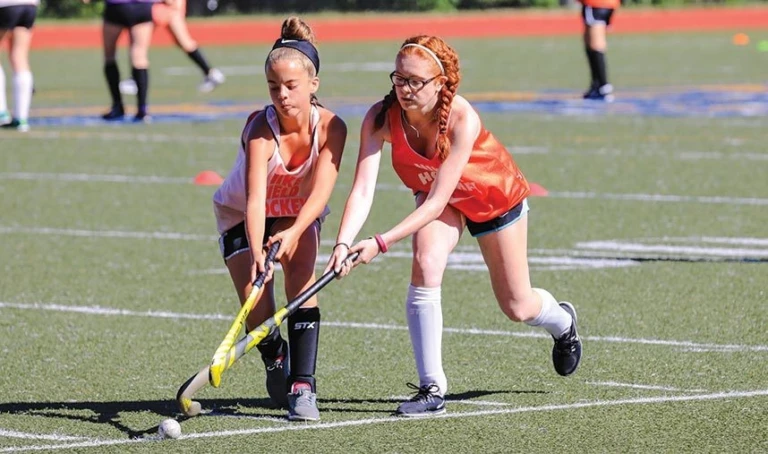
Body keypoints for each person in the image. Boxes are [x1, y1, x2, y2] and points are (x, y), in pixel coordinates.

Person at [326, 35, 582, 418]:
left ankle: (563, 323)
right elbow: (362, 190)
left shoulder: (462, 119)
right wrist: (342, 243)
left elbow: (435, 203)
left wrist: (380, 242)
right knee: (425, 262)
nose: (405, 89)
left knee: (518, 305)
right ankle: (432, 388)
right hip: (439, 198)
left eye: (416, 82)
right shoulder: (379, 118)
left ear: (440, 83)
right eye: (399, 78)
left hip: (492, 198)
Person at [212, 16, 346, 422]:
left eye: (291, 86)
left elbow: (320, 193)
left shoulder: (332, 128)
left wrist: (294, 231)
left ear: (313, 84)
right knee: (257, 307)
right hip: (241, 215)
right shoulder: (260, 129)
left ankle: (303, 386)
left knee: (302, 278)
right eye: (274, 87)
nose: (282, 95)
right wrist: (257, 252)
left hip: (298, 212)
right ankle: (274, 353)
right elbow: (255, 200)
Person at [119, 0, 225, 96]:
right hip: (167, 7)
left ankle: (135, 79)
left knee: (139, 41)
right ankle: (211, 73)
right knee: (183, 42)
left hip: (163, 6)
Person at [92, 0, 164, 122]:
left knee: (109, 56)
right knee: (139, 57)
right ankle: (142, 109)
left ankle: (117, 106)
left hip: (117, 6)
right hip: (142, 7)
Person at [0, 0, 37, 132]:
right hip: (29, 6)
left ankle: (1, 113)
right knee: (19, 56)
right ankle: (21, 119)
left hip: (5, 4)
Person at [579, 0, 619, 101]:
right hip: (608, 4)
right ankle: (596, 85)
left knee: (595, 43)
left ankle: (603, 85)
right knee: (590, 41)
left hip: (595, 4)